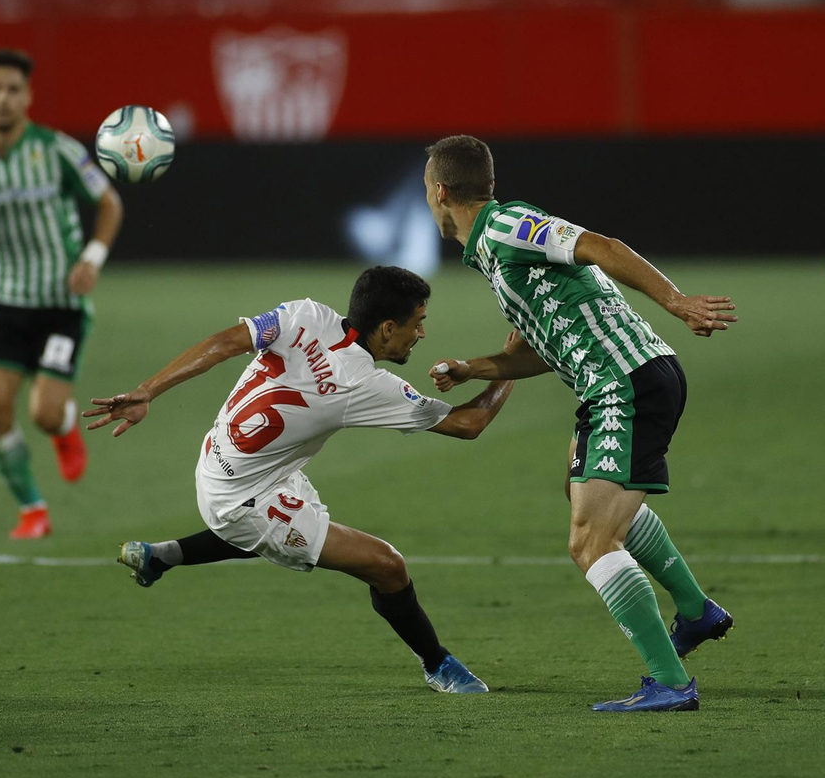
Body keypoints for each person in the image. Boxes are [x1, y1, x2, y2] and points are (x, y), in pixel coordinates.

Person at [84, 266, 515, 693]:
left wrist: (149, 389)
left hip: (220, 458)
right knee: (387, 566)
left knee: (283, 532)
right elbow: (468, 424)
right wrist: (510, 366)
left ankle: (161, 556)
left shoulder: (304, 313)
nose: (421, 334)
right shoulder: (364, 383)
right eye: (417, 323)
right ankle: (438, 665)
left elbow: (224, 343)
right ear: (387, 328)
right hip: (245, 500)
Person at [421, 134, 737, 714]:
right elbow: (549, 347)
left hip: (624, 383)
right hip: (619, 381)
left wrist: (675, 300)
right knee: (580, 489)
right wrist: (473, 369)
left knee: (590, 541)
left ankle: (670, 682)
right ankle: (696, 613)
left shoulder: (505, 226)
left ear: (440, 191)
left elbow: (602, 246)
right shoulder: (496, 253)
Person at [0, 48, 123, 539]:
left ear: (28, 97)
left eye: (14, 89)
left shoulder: (57, 151)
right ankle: (33, 509)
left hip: (60, 304)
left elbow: (109, 203)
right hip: (1, 301)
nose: (4, 99)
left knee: (44, 413)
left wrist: (91, 260)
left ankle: (63, 428)